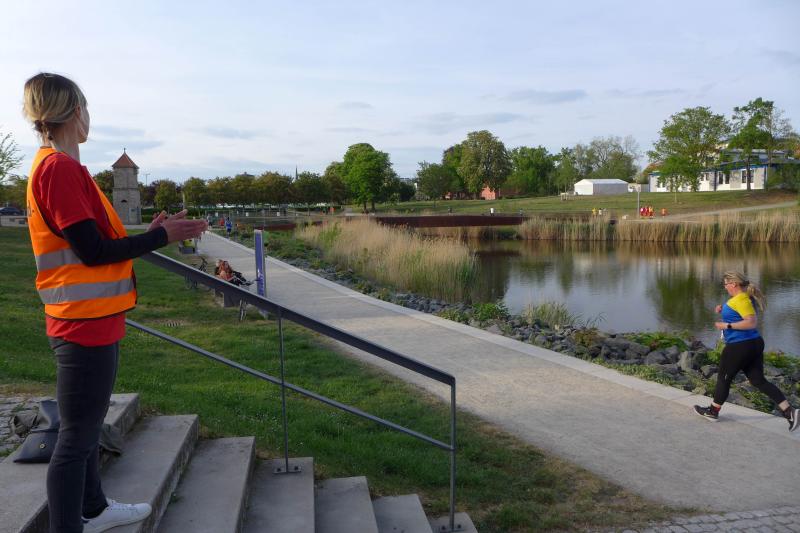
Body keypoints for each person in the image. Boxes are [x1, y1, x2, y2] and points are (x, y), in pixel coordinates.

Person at [22, 73, 207, 533]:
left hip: (88, 318)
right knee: (75, 440)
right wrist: (162, 238)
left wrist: (151, 233)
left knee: (85, 431)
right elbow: (93, 252)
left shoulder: (60, 168)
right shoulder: (59, 170)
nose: (89, 117)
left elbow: (95, 242)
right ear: (74, 111)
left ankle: (94, 508)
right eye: (86, 107)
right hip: (82, 323)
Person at [694, 271, 798, 432]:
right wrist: (723, 309)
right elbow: (738, 312)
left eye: (726, 284)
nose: (725, 287)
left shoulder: (741, 299)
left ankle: (713, 411)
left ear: (734, 284)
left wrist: (726, 325)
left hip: (739, 346)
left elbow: (751, 322)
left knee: (723, 379)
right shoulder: (742, 298)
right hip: (753, 343)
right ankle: (789, 412)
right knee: (758, 380)